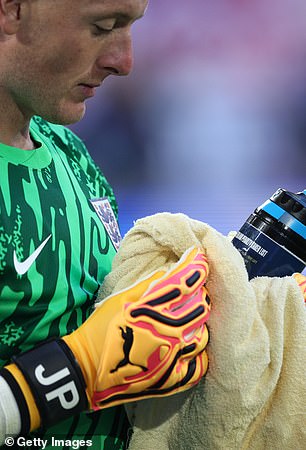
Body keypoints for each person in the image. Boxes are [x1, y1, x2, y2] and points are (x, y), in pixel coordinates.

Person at [0, 1, 211, 449]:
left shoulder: (68, 151)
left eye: (131, 27)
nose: (125, 62)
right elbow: (91, 361)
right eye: (103, 26)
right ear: (11, 11)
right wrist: (74, 371)